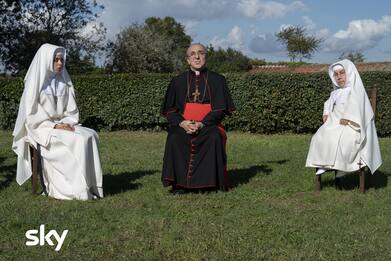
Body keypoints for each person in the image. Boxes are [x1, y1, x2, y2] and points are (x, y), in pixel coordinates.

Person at [12, 43, 103, 200]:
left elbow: (71, 110)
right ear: (47, 60)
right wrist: (54, 125)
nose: (60, 63)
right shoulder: (35, 84)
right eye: (56, 60)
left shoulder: (64, 82)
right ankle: (75, 189)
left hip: (62, 125)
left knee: (91, 135)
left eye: (61, 60)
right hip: (41, 128)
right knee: (79, 140)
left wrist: (67, 122)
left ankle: (91, 185)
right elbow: (32, 113)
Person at [161, 43, 235, 193]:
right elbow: (170, 110)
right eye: (193, 54)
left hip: (209, 125)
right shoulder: (177, 81)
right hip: (184, 124)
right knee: (175, 137)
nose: (197, 56)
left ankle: (209, 184)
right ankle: (180, 185)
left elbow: (220, 109)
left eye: (201, 53)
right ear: (188, 60)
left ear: (205, 57)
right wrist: (182, 123)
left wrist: (202, 124)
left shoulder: (218, 80)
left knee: (214, 136)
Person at [306, 59, 382, 177]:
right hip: (333, 123)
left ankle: (342, 166)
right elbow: (328, 103)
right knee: (319, 136)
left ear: (349, 73)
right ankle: (323, 164)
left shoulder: (356, 91)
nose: (339, 77)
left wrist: (348, 118)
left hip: (351, 125)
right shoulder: (335, 93)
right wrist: (326, 113)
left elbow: (358, 107)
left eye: (342, 73)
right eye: (336, 74)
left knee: (345, 140)